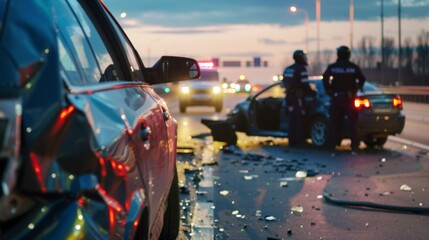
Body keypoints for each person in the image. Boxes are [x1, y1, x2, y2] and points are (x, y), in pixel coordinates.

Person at [322, 45, 366, 152]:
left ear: (338, 54)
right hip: (350, 99)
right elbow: (362, 79)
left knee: (334, 122)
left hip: (337, 99)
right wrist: (356, 89)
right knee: (352, 123)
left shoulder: (333, 67)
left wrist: (329, 92)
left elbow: (325, 79)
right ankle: (354, 145)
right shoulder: (353, 67)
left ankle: (332, 145)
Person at [282, 50, 314, 147]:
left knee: (291, 119)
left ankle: (291, 141)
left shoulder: (288, 69)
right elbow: (305, 84)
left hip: (289, 97)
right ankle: (300, 141)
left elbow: (284, 83)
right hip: (298, 98)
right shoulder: (301, 69)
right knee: (300, 119)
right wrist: (312, 93)